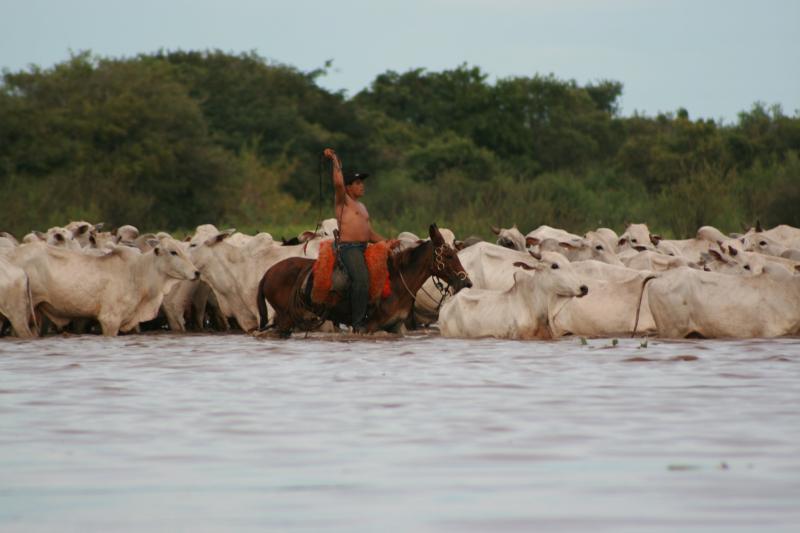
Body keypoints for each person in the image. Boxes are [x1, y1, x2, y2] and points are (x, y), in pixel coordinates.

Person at [323, 148, 390, 332]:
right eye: (358, 183)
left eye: (362, 183)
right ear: (348, 187)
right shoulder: (342, 200)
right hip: (348, 248)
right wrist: (335, 159)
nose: (362, 186)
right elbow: (337, 182)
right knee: (361, 279)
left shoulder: (362, 206)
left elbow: (369, 234)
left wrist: (387, 243)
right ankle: (358, 323)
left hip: (363, 246)